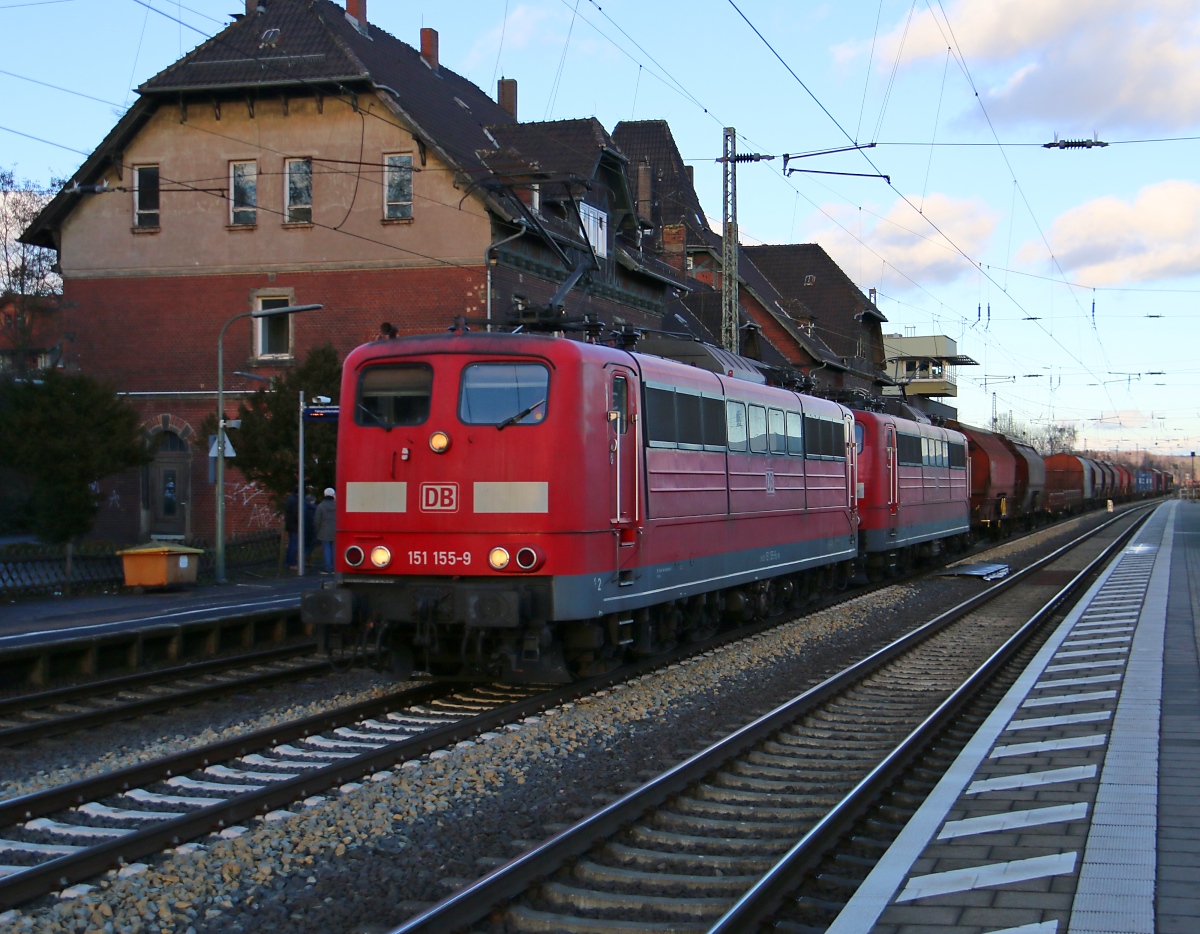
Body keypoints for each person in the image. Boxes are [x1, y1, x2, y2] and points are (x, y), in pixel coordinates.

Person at [314, 487, 336, 573]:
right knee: (334, 549)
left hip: (324, 530)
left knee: (326, 549)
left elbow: (317, 520)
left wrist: (317, 530)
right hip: (336, 530)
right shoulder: (338, 505)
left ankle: (327, 568)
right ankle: (335, 567)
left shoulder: (321, 506)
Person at [283, 491, 299, 570]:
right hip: (295, 526)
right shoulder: (295, 501)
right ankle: (291, 563)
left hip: (291, 525)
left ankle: (289, 562)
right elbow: (296, 514)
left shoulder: (290, 499)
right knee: (294, 545)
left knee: (292, 544)